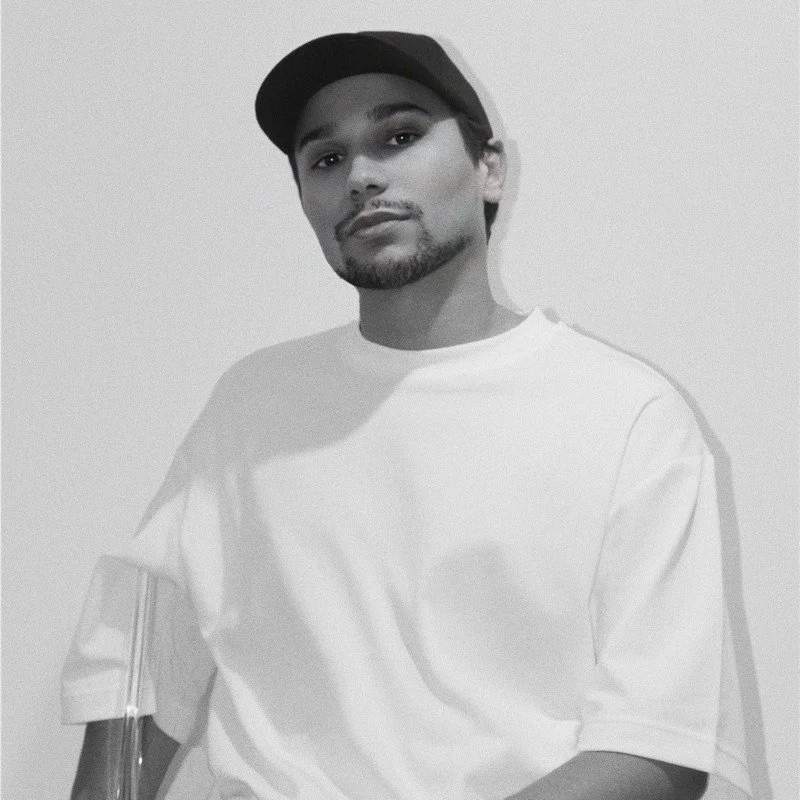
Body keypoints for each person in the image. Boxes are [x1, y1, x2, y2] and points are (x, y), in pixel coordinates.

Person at [63, 31, 752, 800]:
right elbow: (136, 670)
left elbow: (659, 746)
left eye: (399, 136)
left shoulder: (626, 414)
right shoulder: (252, 409)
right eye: (326, 158)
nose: (361, 176)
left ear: (490, 167)